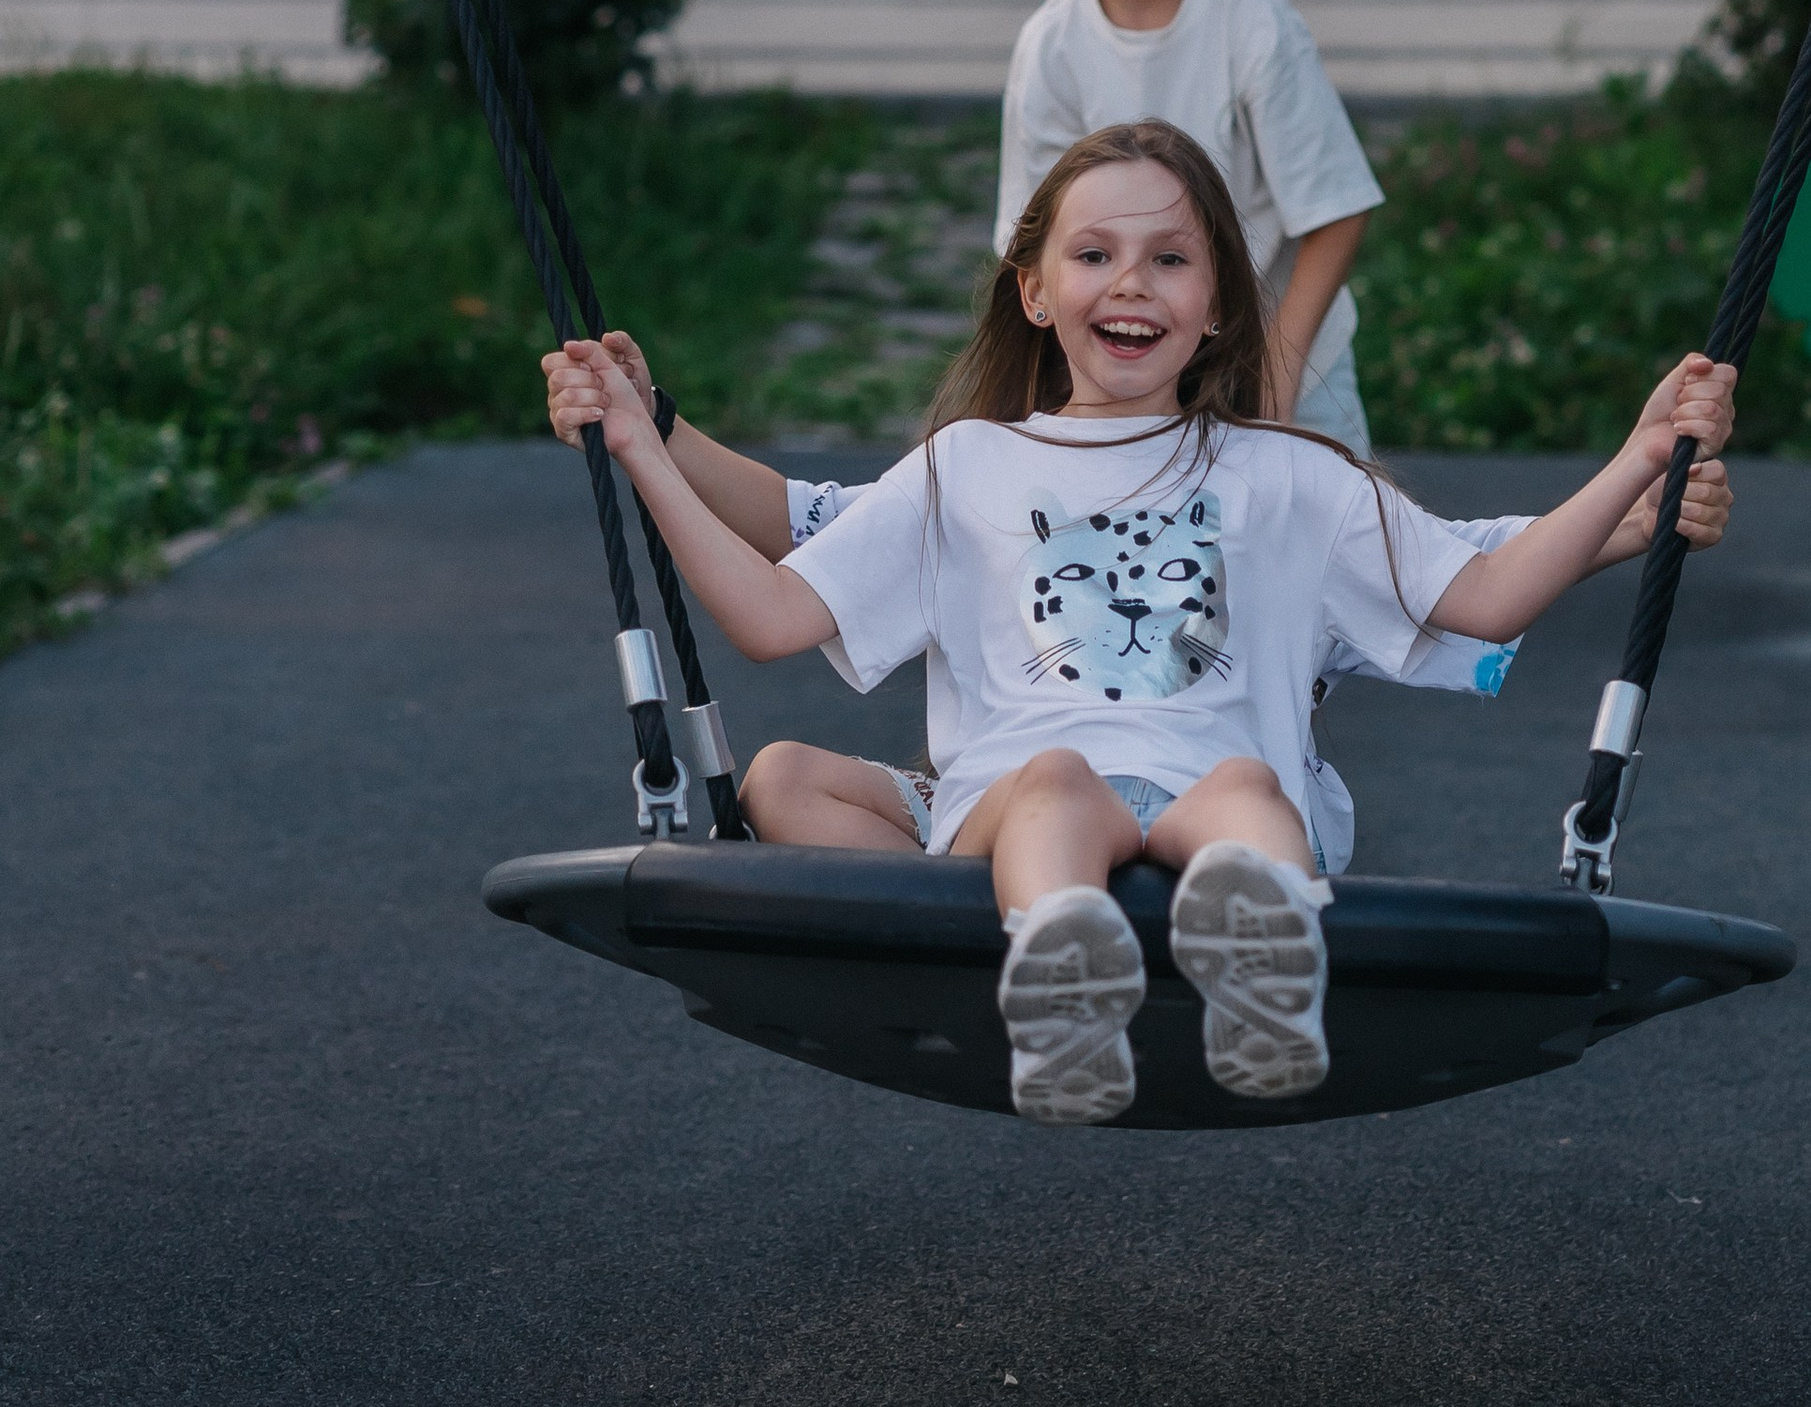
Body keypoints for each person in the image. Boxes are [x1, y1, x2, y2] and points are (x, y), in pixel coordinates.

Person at [546, 116, 1734, 1125]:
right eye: (1097, 253)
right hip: (1018, 798)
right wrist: (643, 447)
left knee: (1251, 790)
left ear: (1219, 300)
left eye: (1170, 258)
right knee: (979, 778)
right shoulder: (969, 467)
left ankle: (1269, 988)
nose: (1131, 282)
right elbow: (767, 613)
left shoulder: (1288, 475)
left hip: (1209, 801)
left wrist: (1640, 461)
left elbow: (1486, 590)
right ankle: (1064, 990)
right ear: (1036, 289)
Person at [1003, 0, 1380, 446]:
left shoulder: (1252, 16)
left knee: (1318, 542)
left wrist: (1280, 372)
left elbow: (1336, 210)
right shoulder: (1051, 43)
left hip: (1278, 353)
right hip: (1130, 367)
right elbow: (1035, 243)